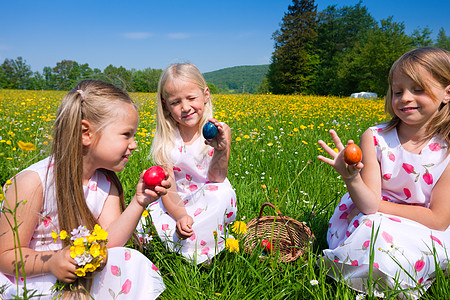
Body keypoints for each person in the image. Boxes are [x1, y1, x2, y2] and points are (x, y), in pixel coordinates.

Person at [0, 80, 169, 299]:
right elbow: (5, 255)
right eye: (126, 134)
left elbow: (111, 244)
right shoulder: (33, 183)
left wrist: (139, 202)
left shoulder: (106, 184)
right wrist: (52, 263)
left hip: (83, 273)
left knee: (129, 260)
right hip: (34, 276)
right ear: (85, 133)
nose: (134, 144)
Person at [317, 47, 450, 299]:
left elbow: (439, 220)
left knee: (396, 241)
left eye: (418, 89)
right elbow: (368, 206)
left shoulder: (447, 150)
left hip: (425, 226)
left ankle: (388, 282)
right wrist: (351, 177)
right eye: (397, 91)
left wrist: (380, 206)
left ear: (447, 93)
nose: (405, 98)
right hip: (371, 217)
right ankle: (376, 283)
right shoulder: (376, 137)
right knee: (372, 229)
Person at [137, 63, 237, 264]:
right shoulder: (167, 139)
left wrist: (220, 149)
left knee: (220, 195)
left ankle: (200, 247)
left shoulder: (219, 131)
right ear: (166, 105)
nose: (185, 107)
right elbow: (169, 188)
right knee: (151, 216)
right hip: (175, 200)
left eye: (191, 98)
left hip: (208, 195)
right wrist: (181, 215)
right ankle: (196, 242)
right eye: (175, 102)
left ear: (205, 95)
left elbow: (217, 178)